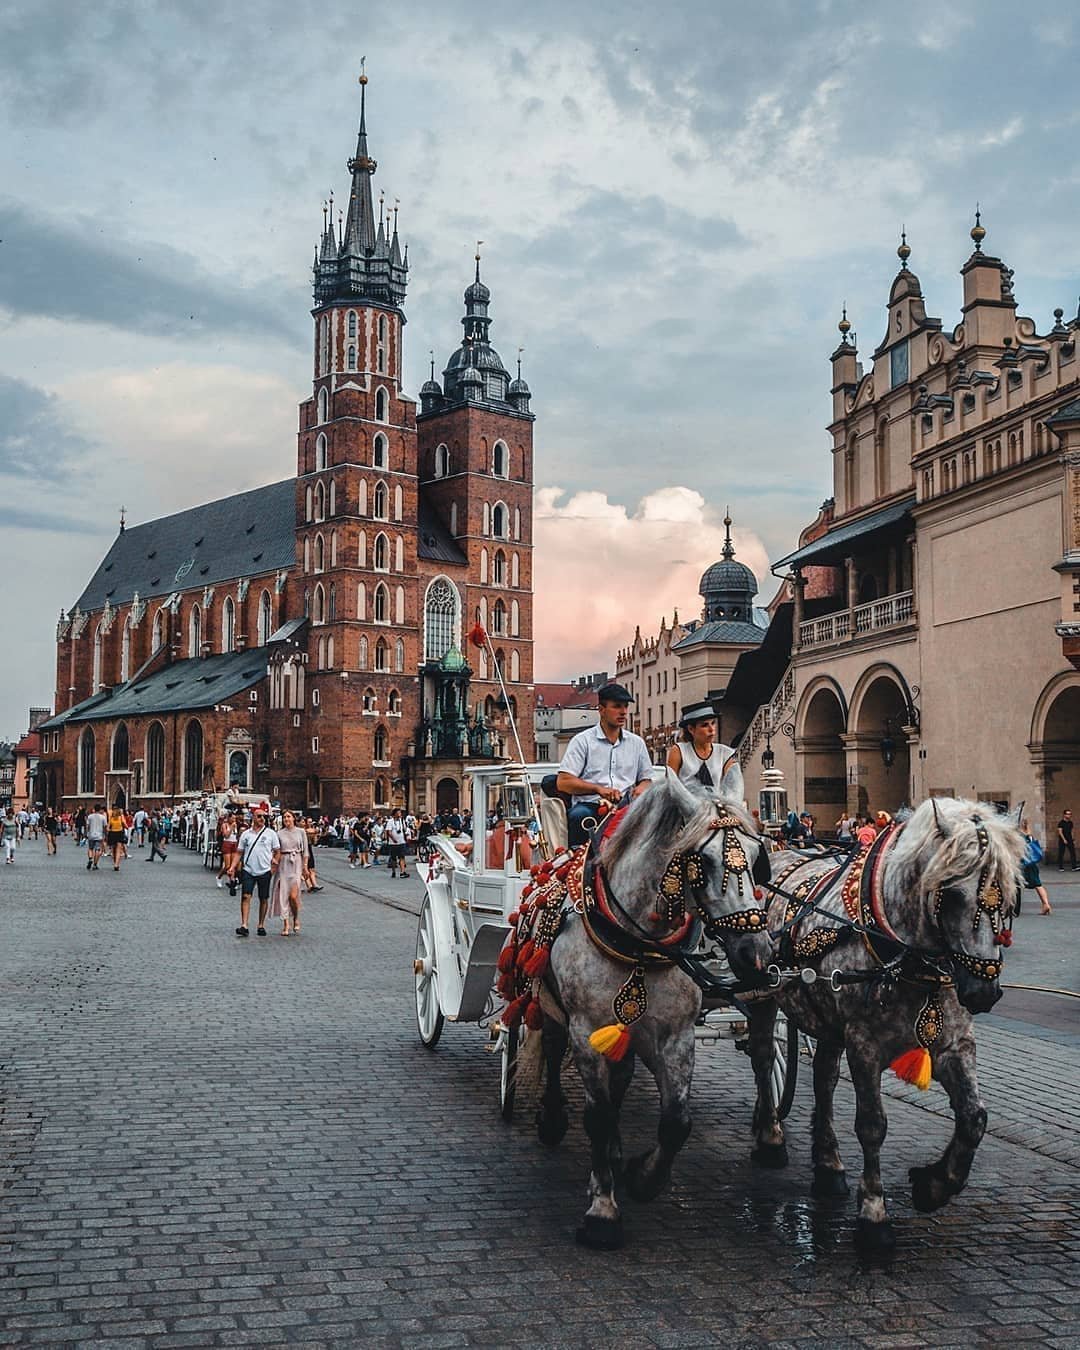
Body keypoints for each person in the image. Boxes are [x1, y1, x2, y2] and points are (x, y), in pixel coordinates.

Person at [556, 682, 653, 847]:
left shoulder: (637, 743)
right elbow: (563, 782)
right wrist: (597, 789)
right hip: (591, 805)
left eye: (625, 707)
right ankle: (581, 865)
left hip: (626, 806)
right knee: (580, 817)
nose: (623, 712)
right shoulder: (583, 741)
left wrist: (640, 789)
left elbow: (647, 780)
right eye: (616, 707)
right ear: (601, 710)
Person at [665, 702, 740, 796]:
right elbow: (669, 787)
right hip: (685, 807)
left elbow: (733, 788)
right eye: (704, 725)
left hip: (714, 807)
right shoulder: (679, 750)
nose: (711, 729)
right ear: (691, 729)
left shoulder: (726, 753)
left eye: (713, 723)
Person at [235, 807, 281, 938]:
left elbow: (278, 852)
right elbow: (239, 852)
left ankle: (261, 925)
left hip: (265, 870)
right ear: (253, 818)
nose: (262, 819)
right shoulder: (246, 834)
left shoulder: (271, 834)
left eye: (264, 817)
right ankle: (244, 925)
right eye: (259, 816)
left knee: (263, 898)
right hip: (248, 869)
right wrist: (232, 867)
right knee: (246, 896)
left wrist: (273, 867)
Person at [270, 809, 307, 935]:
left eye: (288, 817)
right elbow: (276, 850)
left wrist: (305, 867)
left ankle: (296, 917)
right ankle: (286, 923)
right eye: (284, 817)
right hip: (283, 864)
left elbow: (305, 852)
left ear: (293, 818)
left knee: (293, 896)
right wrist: (273, 864)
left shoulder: (301, 832)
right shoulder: (279, 834)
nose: (286, 819)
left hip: (296, 862)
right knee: (283, 895)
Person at [1019, 819, 1051, 915]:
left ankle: (1010, 906)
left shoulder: (1019, 837)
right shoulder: (1030, 836)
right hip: (1032, 864)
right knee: (1038, 884)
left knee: (1015, 884)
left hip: (1023, 864)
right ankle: (1046, 904)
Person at [216, 811, 239, 890]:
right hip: (227, 844)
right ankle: (219, 877)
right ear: (228, 818)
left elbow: (237, 835)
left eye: (235, 818)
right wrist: (231, 828)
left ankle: (232, 881)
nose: (234, 819)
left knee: (233, 865)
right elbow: (226, 835)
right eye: (232, 818)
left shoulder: (236, 825)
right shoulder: (224, 825)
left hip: (234, 844)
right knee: (227, 865)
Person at [386, 808, 408, 878]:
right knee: (393, 858)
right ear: (394, 814)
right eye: (398, 813)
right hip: (393, 843)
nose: (400, 814)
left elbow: (404, 830)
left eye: (400, 813)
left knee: (402, 857)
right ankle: (393, 871)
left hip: (401, 842)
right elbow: (388, 832)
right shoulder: (390, 821)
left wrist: (406, 836)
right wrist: (393, 839)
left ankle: (402, 872)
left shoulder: (402, 821)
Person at [85, 803, 107, 870]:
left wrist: (86, 833)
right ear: (100, 809)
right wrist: (105, 834)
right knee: (98, 850)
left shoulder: (90, 816)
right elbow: (105, 827)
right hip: (99, 836)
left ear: (94, 809)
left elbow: (87, 826)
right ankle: (95, 864)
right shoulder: (103, 817)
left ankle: (90, 859)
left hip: (91, 835)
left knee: (90, 848)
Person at [106, 803, 127, 872]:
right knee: (118, 850)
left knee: (113, 850)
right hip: (119, 833)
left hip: (112, 834)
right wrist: (126, 827)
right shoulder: (121, 816)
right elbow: (124, 824)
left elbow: (108, 827)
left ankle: (115, 862)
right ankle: (116, 864)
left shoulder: (111, 817)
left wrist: (109, 831)